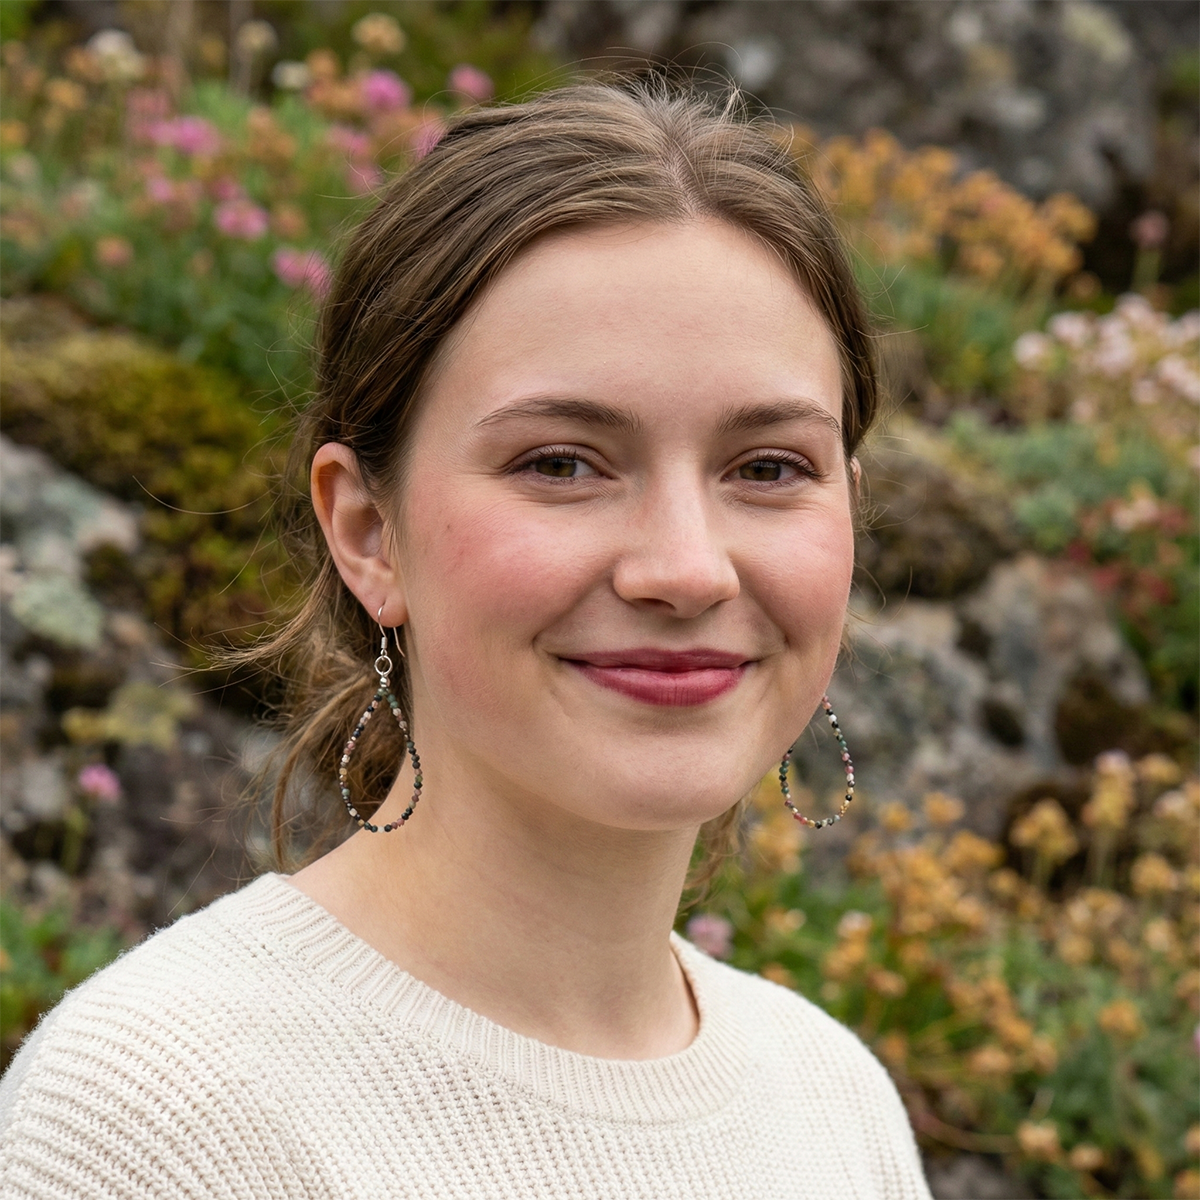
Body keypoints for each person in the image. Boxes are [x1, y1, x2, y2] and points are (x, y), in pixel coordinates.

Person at [0, 82, 932, 1198]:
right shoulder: (157, 1118)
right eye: (561, 464)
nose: (685, 567)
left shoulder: (834, 1103)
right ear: (367, 530)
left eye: (768, 468)